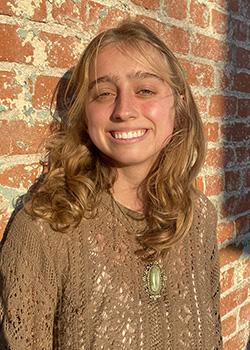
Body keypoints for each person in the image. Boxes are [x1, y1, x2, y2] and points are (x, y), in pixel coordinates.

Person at [0, 20, 222, 349]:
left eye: (145, 89)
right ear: (86, 115)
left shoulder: (199, 217)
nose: (124, 110)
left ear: (178, 102)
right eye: (104, 93)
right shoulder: (46, 230)